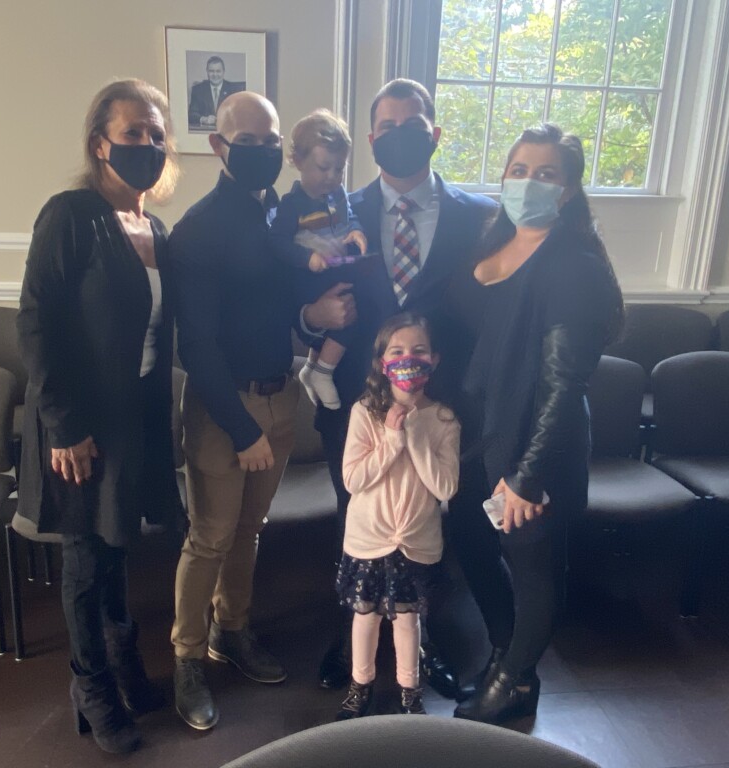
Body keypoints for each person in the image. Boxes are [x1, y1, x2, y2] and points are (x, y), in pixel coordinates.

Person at [168, 91, 348, 731]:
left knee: (250, 529)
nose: (264, 154)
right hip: (225, 406)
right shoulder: (197, 230)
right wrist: (242, 430)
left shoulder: (282, 212)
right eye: (249, 143)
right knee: (211, 535)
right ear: (219, 148)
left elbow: (287, 309)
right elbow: (196, 345)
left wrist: (315, 318)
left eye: (272, 143)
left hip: (282, 392)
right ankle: (188, 657)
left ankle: (231, 631)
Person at [311, 78, 497, 697]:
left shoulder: (481, 216)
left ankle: (427, 641)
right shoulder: (340, 209)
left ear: (435, 133)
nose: (398, 135)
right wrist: (313, 319)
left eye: (411, 123)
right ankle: (354, 637)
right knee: (357, 513)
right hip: (358, 400)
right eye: (385, 127)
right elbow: (297, 296)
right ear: (370, 139)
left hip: (446, 406)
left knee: (434, 521)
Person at [16, 78, 184, 754]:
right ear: (100, 143)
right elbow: (36, 324)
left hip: (136, 415)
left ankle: (123, 667)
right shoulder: (71, 215)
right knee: (86, 560)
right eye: (133, 131)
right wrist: (64, 425)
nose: (146, 143)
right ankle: (91, 689)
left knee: (118, 548)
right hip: (79, 422)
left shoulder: (157, 227)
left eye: (155, 133)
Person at [438, 123, 623, 724]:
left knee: (533, 563)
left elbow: (562, 386)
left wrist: (525, 476)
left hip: (533, 447)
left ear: (567, 191)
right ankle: (504, 650)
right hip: (478, 438)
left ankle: (517, 678)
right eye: (518, 170)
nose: (528, 182)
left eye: (546, 174)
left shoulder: (574, 269)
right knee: (469, 535)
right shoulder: (489, 242)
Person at [333, 312, 460, 721]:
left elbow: (445, 488)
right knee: (365, 615)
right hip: (369, 537)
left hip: (416, 540)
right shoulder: (364, 412)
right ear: (382, 361)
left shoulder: (443, 419)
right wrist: (391, 437)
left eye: (419, 351)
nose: (409, 359)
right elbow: (353, 479)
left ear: (434, 359)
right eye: (398, 351)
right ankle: (360, 685)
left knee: (408, 620)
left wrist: (416, 436)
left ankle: (410, 692)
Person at [269, 109, 373, 411]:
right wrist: (307, 258)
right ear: (298, 161)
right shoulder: (292, 204)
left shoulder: (339, 194)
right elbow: (276, 243)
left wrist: (356, 231)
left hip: (334, 267)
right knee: (346, 320)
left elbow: (350, 216)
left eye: (339, 169)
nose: (332, 176)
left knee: (351, 309)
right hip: (307, 276)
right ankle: (323, 372)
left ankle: (313, 367)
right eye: (323, 167)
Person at [188, 56, 242, 131]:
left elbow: (239, 115)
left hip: (227, 133)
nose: (215, 75)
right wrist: (204, 119)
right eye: (211, 71)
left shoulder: (233, 90)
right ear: (207, 71)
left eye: (218, 71)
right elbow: (191, 114)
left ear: (223, 72)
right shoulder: (198, 90)